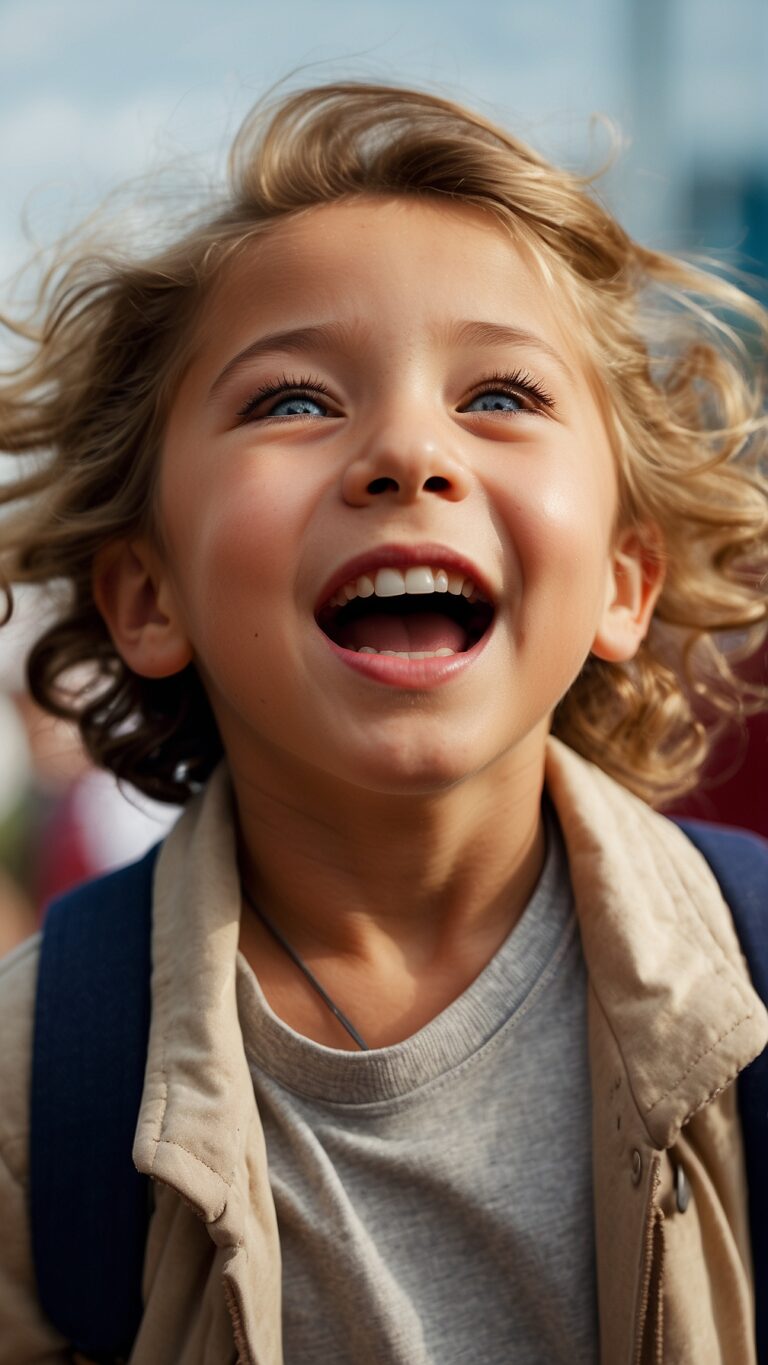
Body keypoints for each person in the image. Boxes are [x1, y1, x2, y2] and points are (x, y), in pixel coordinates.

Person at [0, 81, 766, 1365]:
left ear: (625, 582)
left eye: (503, 396)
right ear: (148, 593)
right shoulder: (39, 1095)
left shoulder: (755, 994)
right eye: (294, 401)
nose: (409, 450)